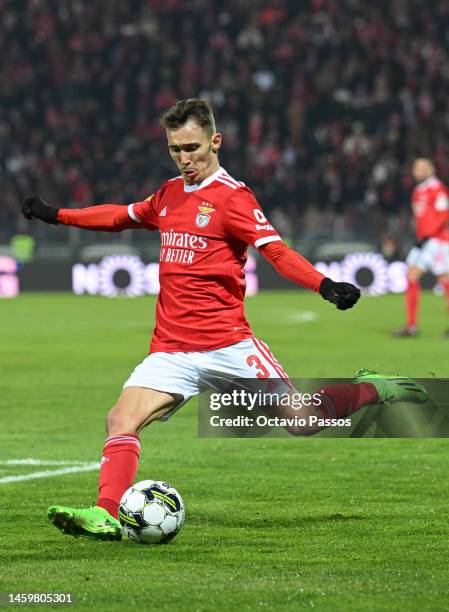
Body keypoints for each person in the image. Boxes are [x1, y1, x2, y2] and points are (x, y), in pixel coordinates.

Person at [22, 99, 427, 541]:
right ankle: (105, 514)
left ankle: (372, 387)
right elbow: (121, 216)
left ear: (215, 142)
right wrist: (57, 215)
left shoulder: (234, 198)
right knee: (120, 418)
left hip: (228, 345)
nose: (184, 159)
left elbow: (275, 251)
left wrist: (324, 285)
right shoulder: (168, 194)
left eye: (192, 147)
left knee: (304, 420)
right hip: (171, 348)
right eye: (175, 149)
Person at [394, 158, 449, 337]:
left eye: (422, 167)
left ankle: (411, 326)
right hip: (423, 240)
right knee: (412, 276)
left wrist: (427, 234)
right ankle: (411, 326)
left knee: (443, 280)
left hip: (436, 240)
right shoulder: (418, 190)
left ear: (430, 170)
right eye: (416, 167)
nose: (418, 171)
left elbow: (443, 215)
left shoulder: (437, 188)